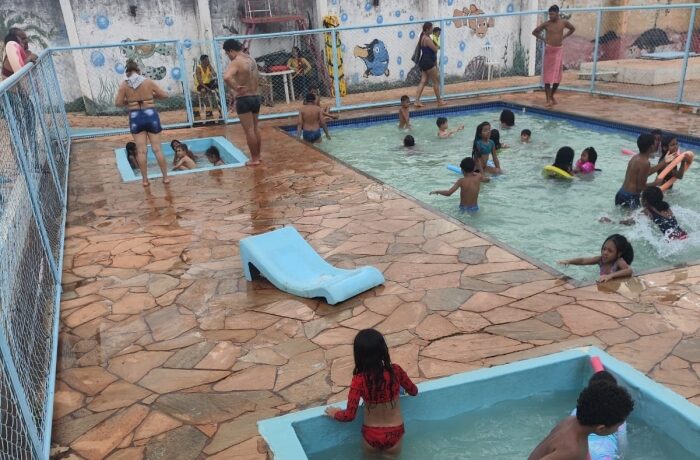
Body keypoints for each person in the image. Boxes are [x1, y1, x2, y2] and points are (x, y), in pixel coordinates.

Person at [325, 329, 418, 454]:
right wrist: (397, 388)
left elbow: (349, 416)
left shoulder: (359, 380)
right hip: (394, 432)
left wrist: (335, 413)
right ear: (383, 350)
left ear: (358, 355)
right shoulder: (395, 371)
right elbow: (413, 391)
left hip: (371, 434)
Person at [529, 381, 633, 460]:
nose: (618, 429)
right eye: (618, 426)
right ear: (601, 429)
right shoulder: (572, 450)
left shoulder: (571, 422)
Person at [115, 60, 170, 186]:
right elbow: (164, 95)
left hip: (135, 117)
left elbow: (118, 103)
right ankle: (165, 178)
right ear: (138, 71)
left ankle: (145, 180)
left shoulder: (124, 85)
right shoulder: (148, 82)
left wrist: (130, 102)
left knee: (141, 151)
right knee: (157, 149)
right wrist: (151, 97)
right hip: (150, 115)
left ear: (127, 73)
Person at [571, 371, 629, 460]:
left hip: (578, 449)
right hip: (604, 454)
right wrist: (623, 456)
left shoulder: (578, 411)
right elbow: (622, 444)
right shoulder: (618, 417)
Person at [223, 39, 262, 166]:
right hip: (256, 97)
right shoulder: (251, 59)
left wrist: (236, 87)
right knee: (255, 128)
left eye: (227, 54)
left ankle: (254, 159)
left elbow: (226, 77)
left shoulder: (236, 62)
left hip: (244, 99)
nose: (228, 56)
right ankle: (258, 156)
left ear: (231, 50)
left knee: (249, 130)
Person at [532, 5, 575, 106]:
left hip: (558, 51)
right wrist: (543, 39)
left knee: (557, 77)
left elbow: (572, 29)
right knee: (547, 77)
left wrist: (564, 36)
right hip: (549, 51)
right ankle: (548, 100)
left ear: (557, 13)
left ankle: (551, 95)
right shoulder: (547, 24)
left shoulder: (563, 22)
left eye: (552, 14)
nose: (550, 16)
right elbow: (535, 32)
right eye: (549, 14)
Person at [615, 133, 667, 209]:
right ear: (651, 146)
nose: (657, 144)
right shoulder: (645, 163)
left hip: (621, 193)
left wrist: (663, 163)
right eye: (655, 142)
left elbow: (646, 173)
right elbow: (640, 187)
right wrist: (655, 183)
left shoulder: (636, 157)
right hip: (630, 197)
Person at [558, 234, 634, 283]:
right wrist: (569, 261)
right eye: (604, 249)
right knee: (576, 279)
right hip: (603, 285)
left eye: (610, 251)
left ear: (619, 254)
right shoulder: (600, 260)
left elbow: (629, 270)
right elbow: (583, 260)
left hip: (613, 288)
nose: (605, 252)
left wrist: (610, 275)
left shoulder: (618, 261)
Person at [413, 22, 444, 107]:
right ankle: (439, 101)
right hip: (428, 62)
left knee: (423, 81)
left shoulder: (423, 37)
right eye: (431, 28)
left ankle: (416, 101)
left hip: (424, 61)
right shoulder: (427, 39)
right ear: (427, 29)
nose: (432, 30)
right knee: (436, 81)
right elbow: (435, 49)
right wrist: (437, 43)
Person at [194, 54, 219, 120]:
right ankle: (208, 110)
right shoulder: (198, 68)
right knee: (203, 90)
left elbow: (215, 74)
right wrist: (208, 89)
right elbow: (200, 82)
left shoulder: (208, 66)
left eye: (208, 60)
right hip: (200, 85)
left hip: (208, 84)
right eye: (206, 60)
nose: (208, 61)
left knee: (217, 85)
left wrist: (211, 69)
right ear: (202, 61)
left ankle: (220, 108)